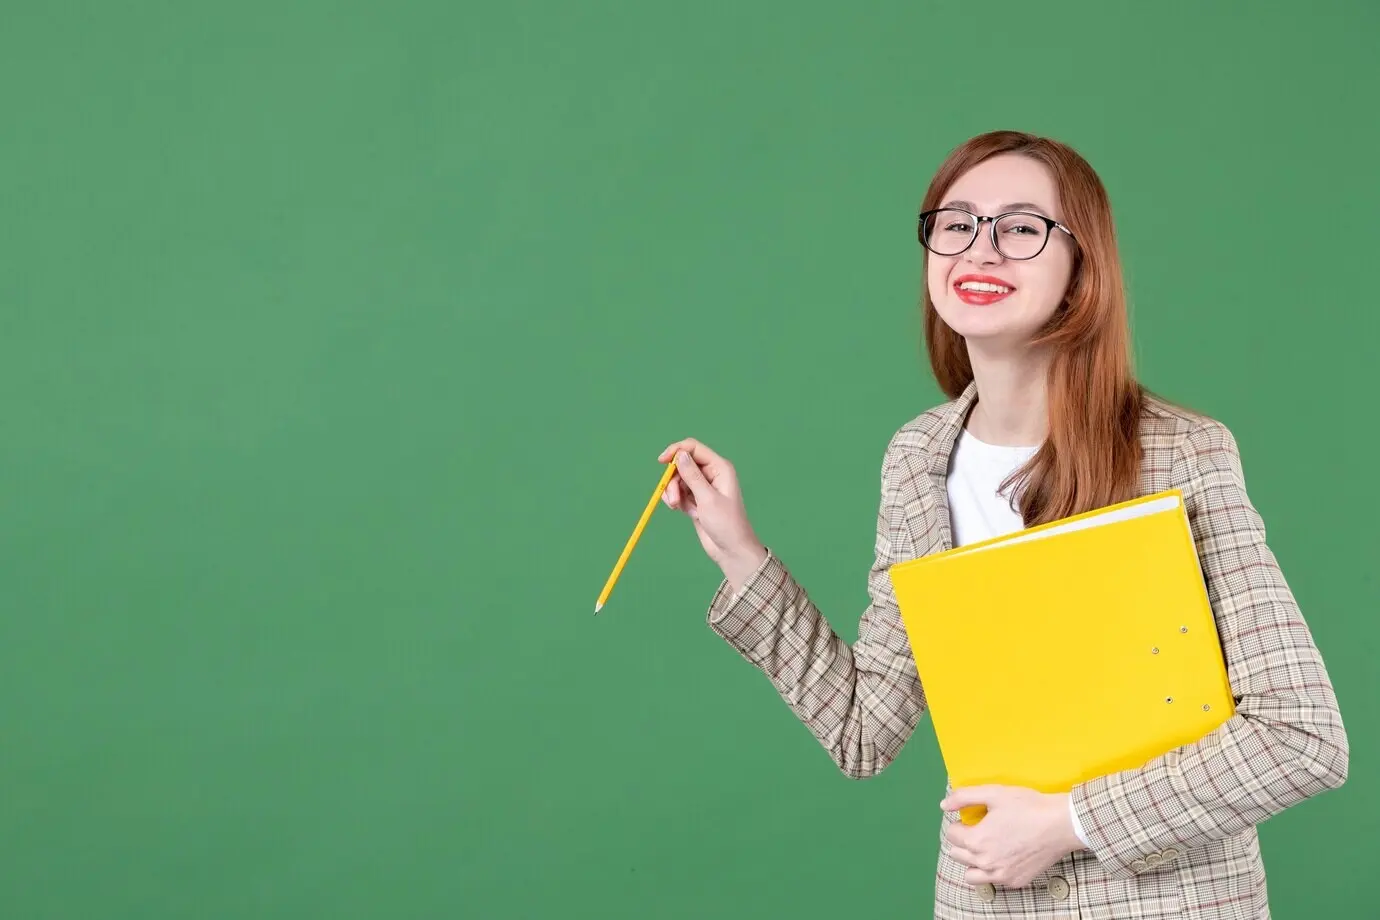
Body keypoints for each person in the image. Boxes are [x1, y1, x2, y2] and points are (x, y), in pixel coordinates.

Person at [655, 130, 1349, 920]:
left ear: (1081, 270)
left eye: (1020, 228)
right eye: (957, 224)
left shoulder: (1180, 453)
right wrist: (739, 552)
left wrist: (1068, 823)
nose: (979, 249)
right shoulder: (918, 458)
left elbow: (1300, 738)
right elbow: (864, 730)